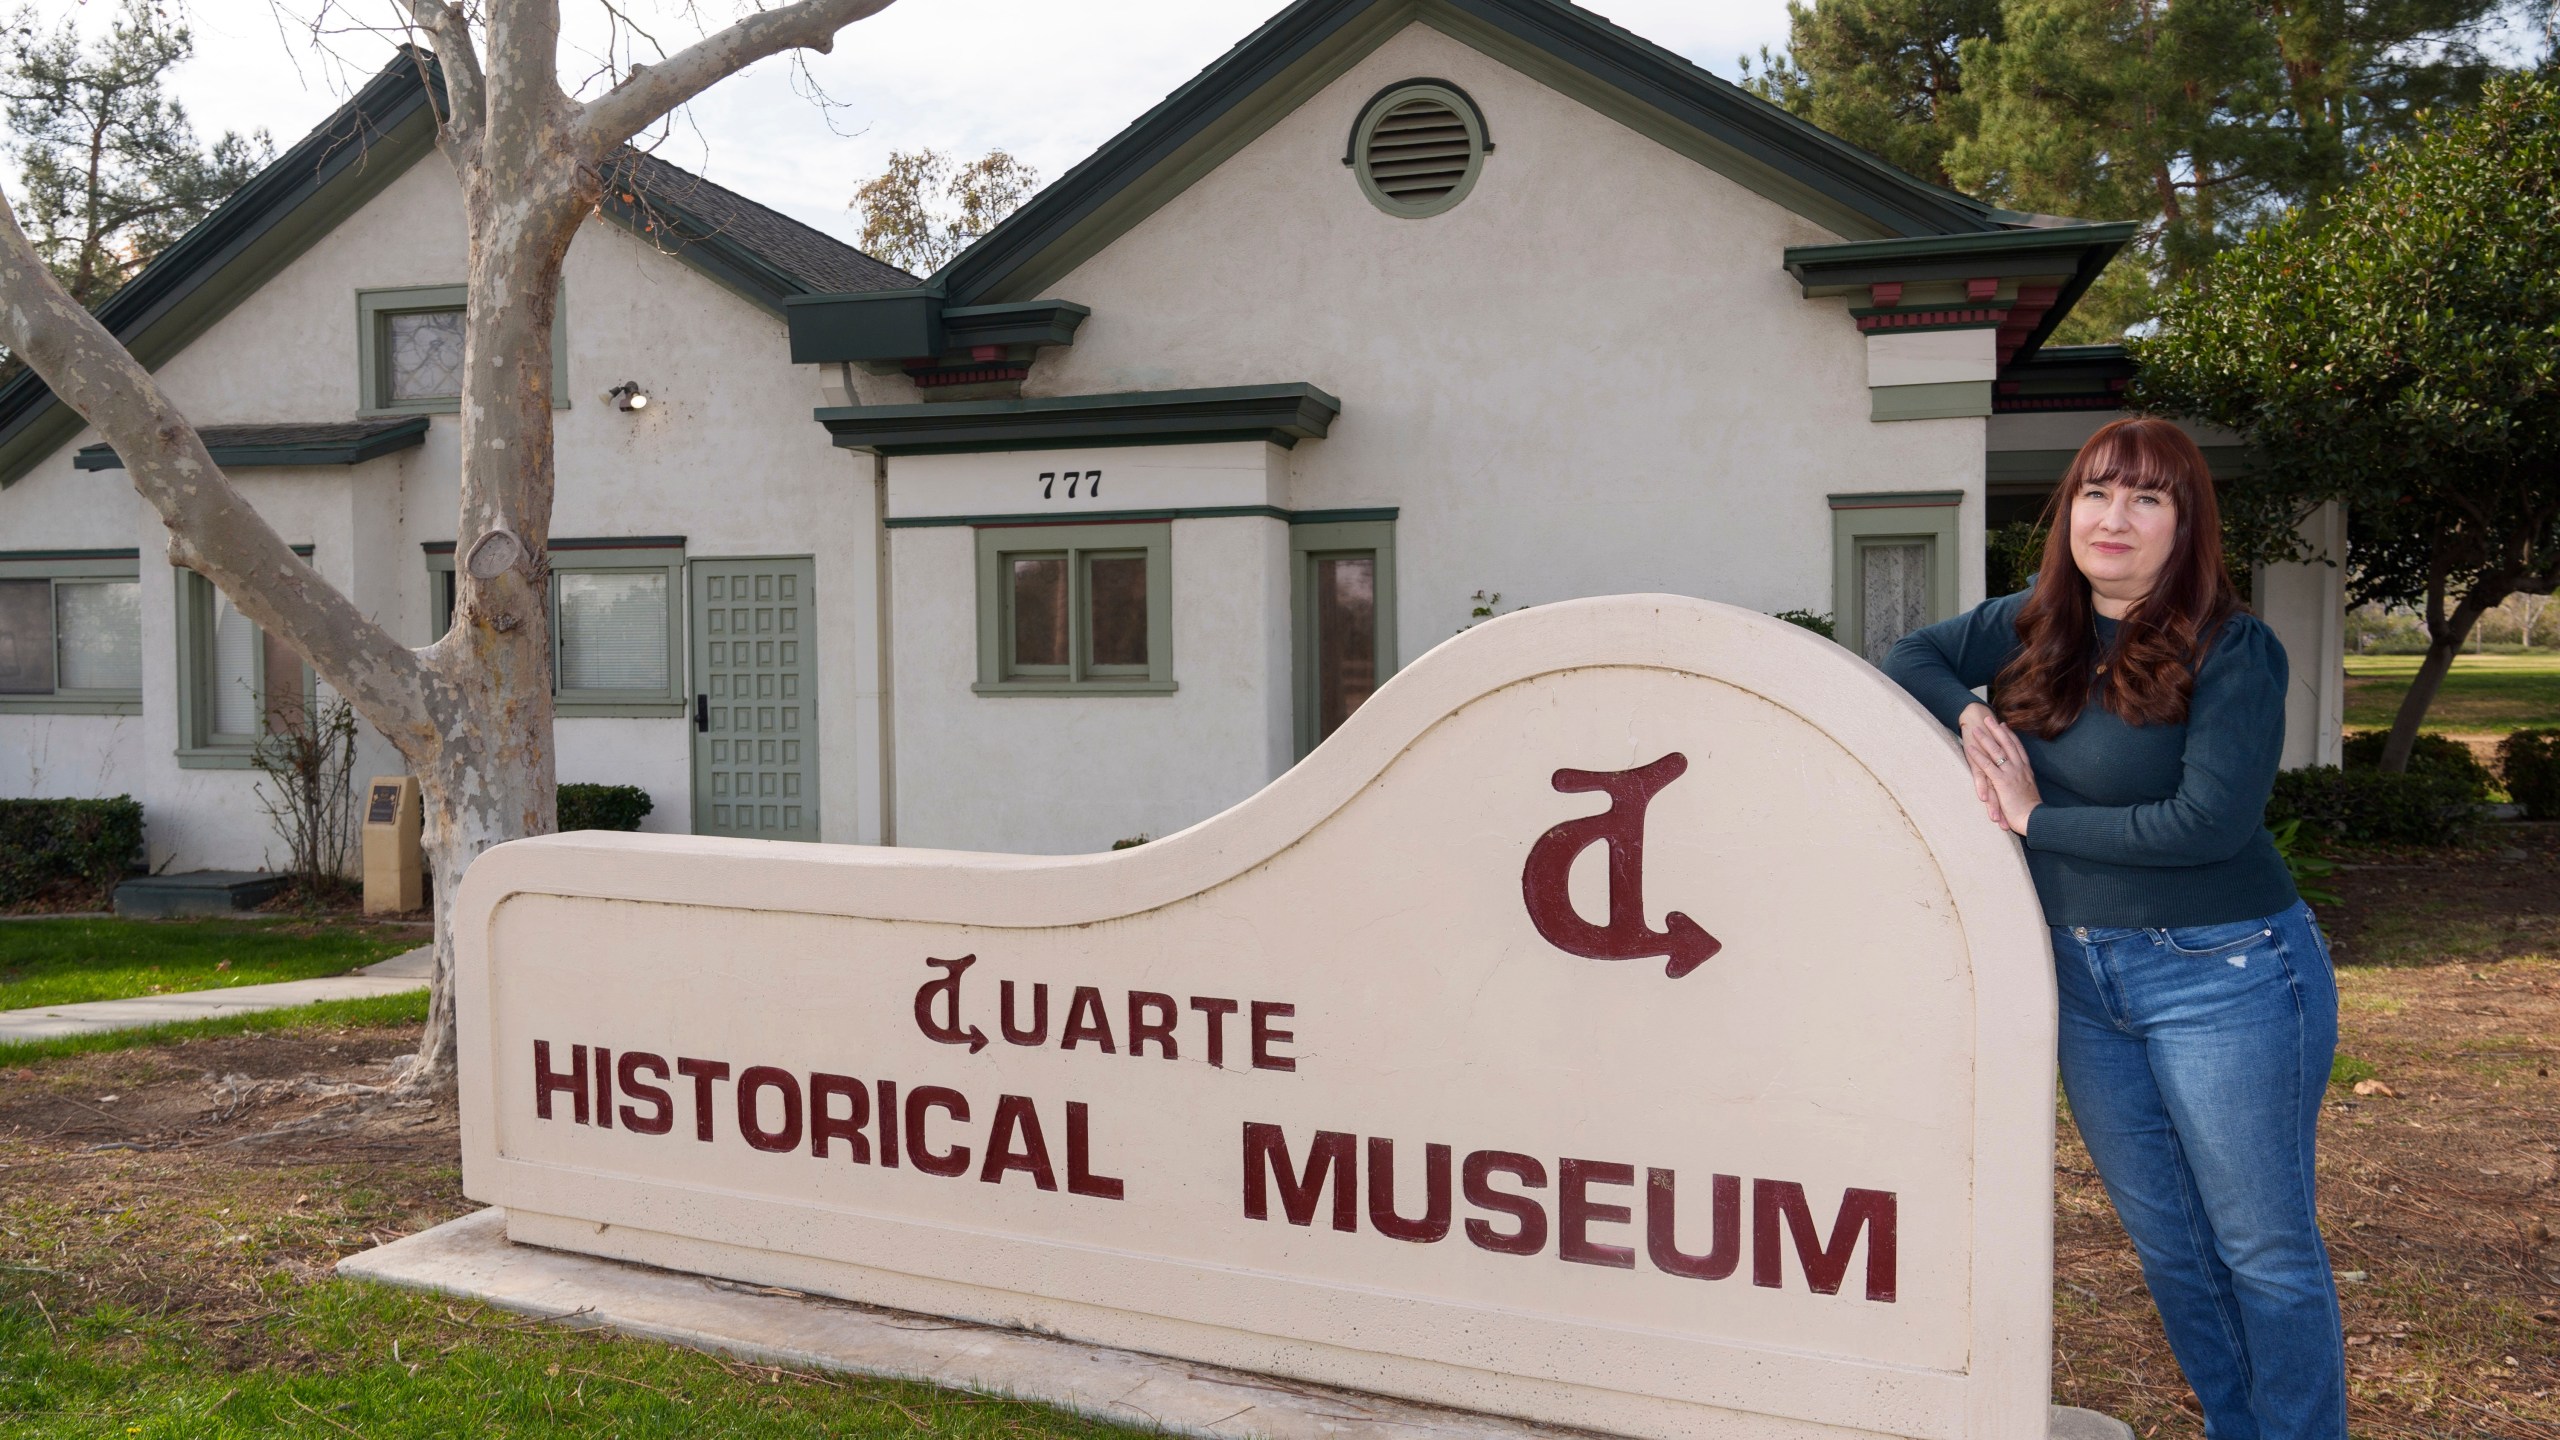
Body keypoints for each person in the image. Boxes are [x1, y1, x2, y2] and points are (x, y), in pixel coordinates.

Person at [1884, 415, 2345, 1440]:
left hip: (2225, 973)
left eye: (2148, 498)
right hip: (2081, 982)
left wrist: (2034, 818)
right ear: (2069, 511)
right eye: (2096, 491)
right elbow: (1908, 653)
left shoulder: (2234, 646)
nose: (2114, 517)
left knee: (2261, 1250)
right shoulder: (2030, 624)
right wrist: (1969, 717)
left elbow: (2205, 824)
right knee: (2174, 1246)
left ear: (2185, 526)